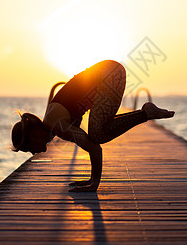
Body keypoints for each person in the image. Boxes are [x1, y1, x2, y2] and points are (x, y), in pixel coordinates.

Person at [11, 60, 174, 192]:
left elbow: (94, 148)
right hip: (109, 73)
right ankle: (146, 113)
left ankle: (147, 113)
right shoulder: (53, 122)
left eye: (28, 148)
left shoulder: (56, 125)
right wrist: (91, 178)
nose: (32, 152)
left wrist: (94, 185)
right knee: (98, 132)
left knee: (97, 135)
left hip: (109, 75)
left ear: (33, 135)